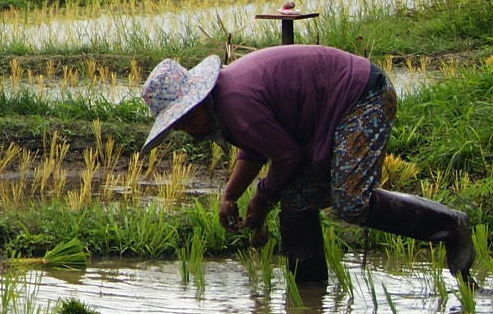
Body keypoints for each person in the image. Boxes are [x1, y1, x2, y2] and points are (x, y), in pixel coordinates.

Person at [142, 46, 475, 285]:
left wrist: (261, 197)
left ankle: (450, 225)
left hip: (363, 98)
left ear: (198, 101)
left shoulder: (235, 102)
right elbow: (258, 148)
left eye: (183, 120)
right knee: (297, 201)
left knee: (351, 201)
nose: (185, 129)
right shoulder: (227, 104)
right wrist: (230, 194)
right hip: (327, 117)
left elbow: (285, 156)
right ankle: (308, 296)